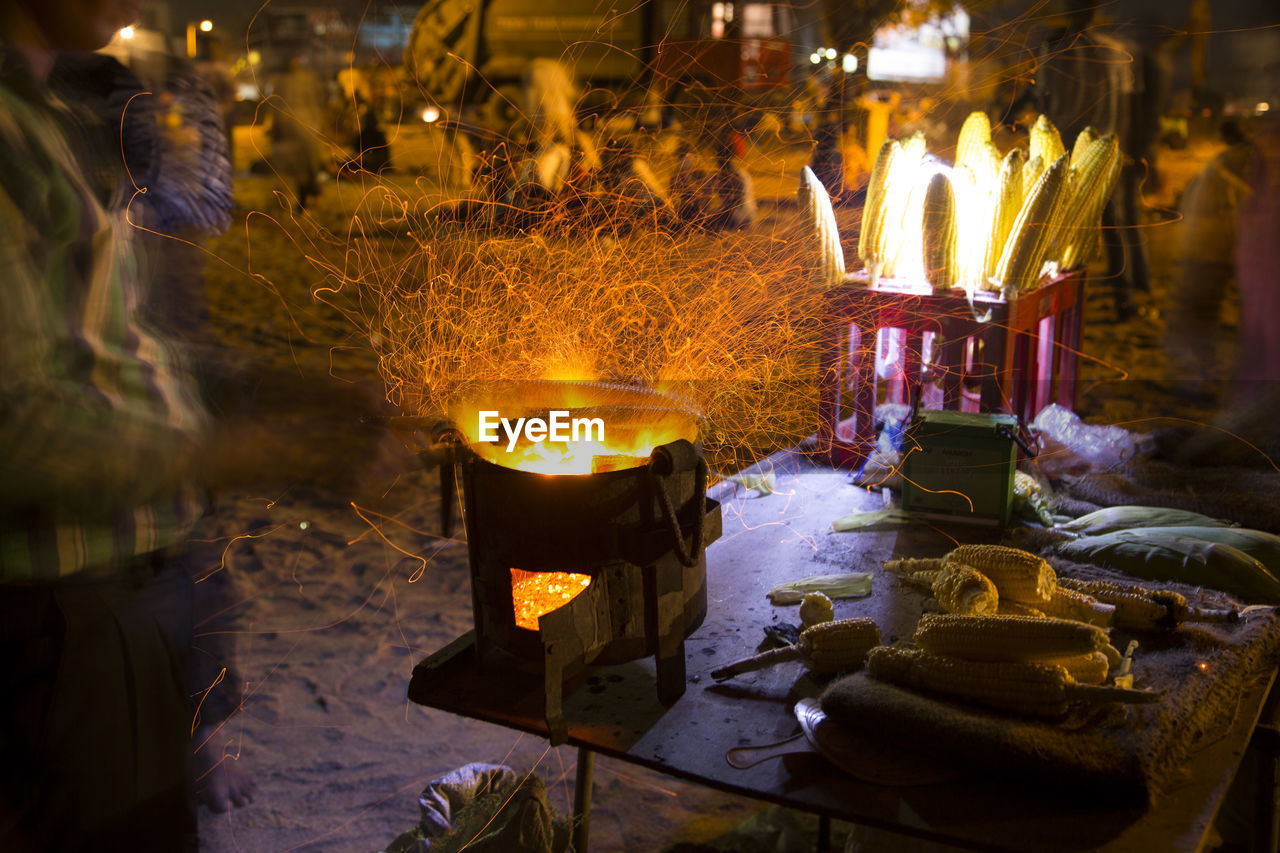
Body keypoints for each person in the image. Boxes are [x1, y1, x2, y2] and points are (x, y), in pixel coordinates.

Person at [0, 0, 261, 847]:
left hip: (126, 587)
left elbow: (102, 351)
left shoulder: (53, 108)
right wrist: (246, 445)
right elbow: (18, 426)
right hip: (55, 617)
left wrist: (260, 397)